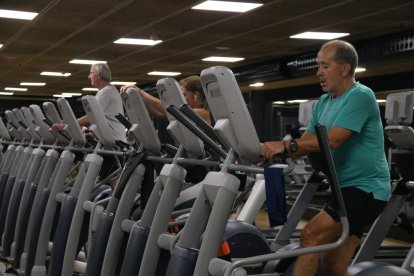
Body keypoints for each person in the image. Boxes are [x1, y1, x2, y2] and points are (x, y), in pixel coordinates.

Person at [261, 40, 391, 276]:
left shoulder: (361, 96)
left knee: (311, 235)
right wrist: (269, 149)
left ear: (344, 69)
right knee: (334, 266)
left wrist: (285, 144)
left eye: (325, 65)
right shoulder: (323, 102)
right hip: (342, 190)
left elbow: (332, 140)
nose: (318, 72)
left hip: (366, 190)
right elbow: (306, 144)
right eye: (318, 66)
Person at [120, 75, 212, 183]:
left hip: (201, 169)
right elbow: (160, 114)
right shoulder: (186, 113)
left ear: (195, 95)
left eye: (183, 95)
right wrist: (140, 99)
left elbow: (173, 110)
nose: (181, 99)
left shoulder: (204, 113)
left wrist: (141, 92)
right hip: (188, 165)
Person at [53, 63, 126, 189]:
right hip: (106, 140)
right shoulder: (104, 92)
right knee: (108, 178)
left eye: (91, 73)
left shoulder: (106, 92)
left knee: (113, 180)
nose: (89, 76)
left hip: (113, 143)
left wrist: (66, 126)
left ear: (99, 75)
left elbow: (90, 117)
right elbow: (101, 119)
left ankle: (121, 205)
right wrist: (91, 133)